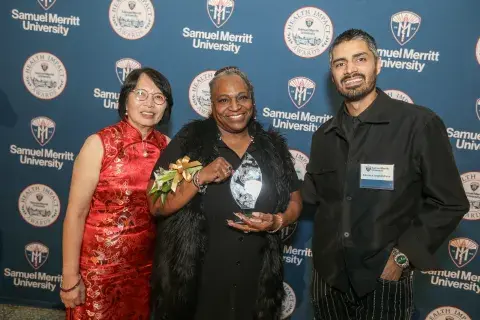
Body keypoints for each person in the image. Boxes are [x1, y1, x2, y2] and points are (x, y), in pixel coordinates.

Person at [302, 29, 469, 320]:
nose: (350, 69)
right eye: (340, 63)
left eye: (360, 59)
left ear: (378, 65)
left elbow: (450, 202)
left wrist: (402, 257)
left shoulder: (419, 124)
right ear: (332, 74)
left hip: (384, 282)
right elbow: (311, 195)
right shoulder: (323, 136)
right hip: (327, 281)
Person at [147, 66, 302, 320]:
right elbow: (155, 203)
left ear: (252, 100)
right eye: (224, 100)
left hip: (256, 288)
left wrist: (278, 221)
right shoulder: (190, 142)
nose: (235, 106)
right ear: (212, 105)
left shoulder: (273, 148)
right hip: (197, 288)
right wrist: (198, 178)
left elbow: (295, 199)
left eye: (242, 97)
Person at [60, 67, 173, 319]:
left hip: (145, 271)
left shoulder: (168, 148)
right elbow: (75, 215)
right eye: (141, 94)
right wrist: (70, 277)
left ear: (166, 106)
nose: (149, 103)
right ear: (125, 100)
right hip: (98, 272)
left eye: (158, 97)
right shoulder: (99, 144)